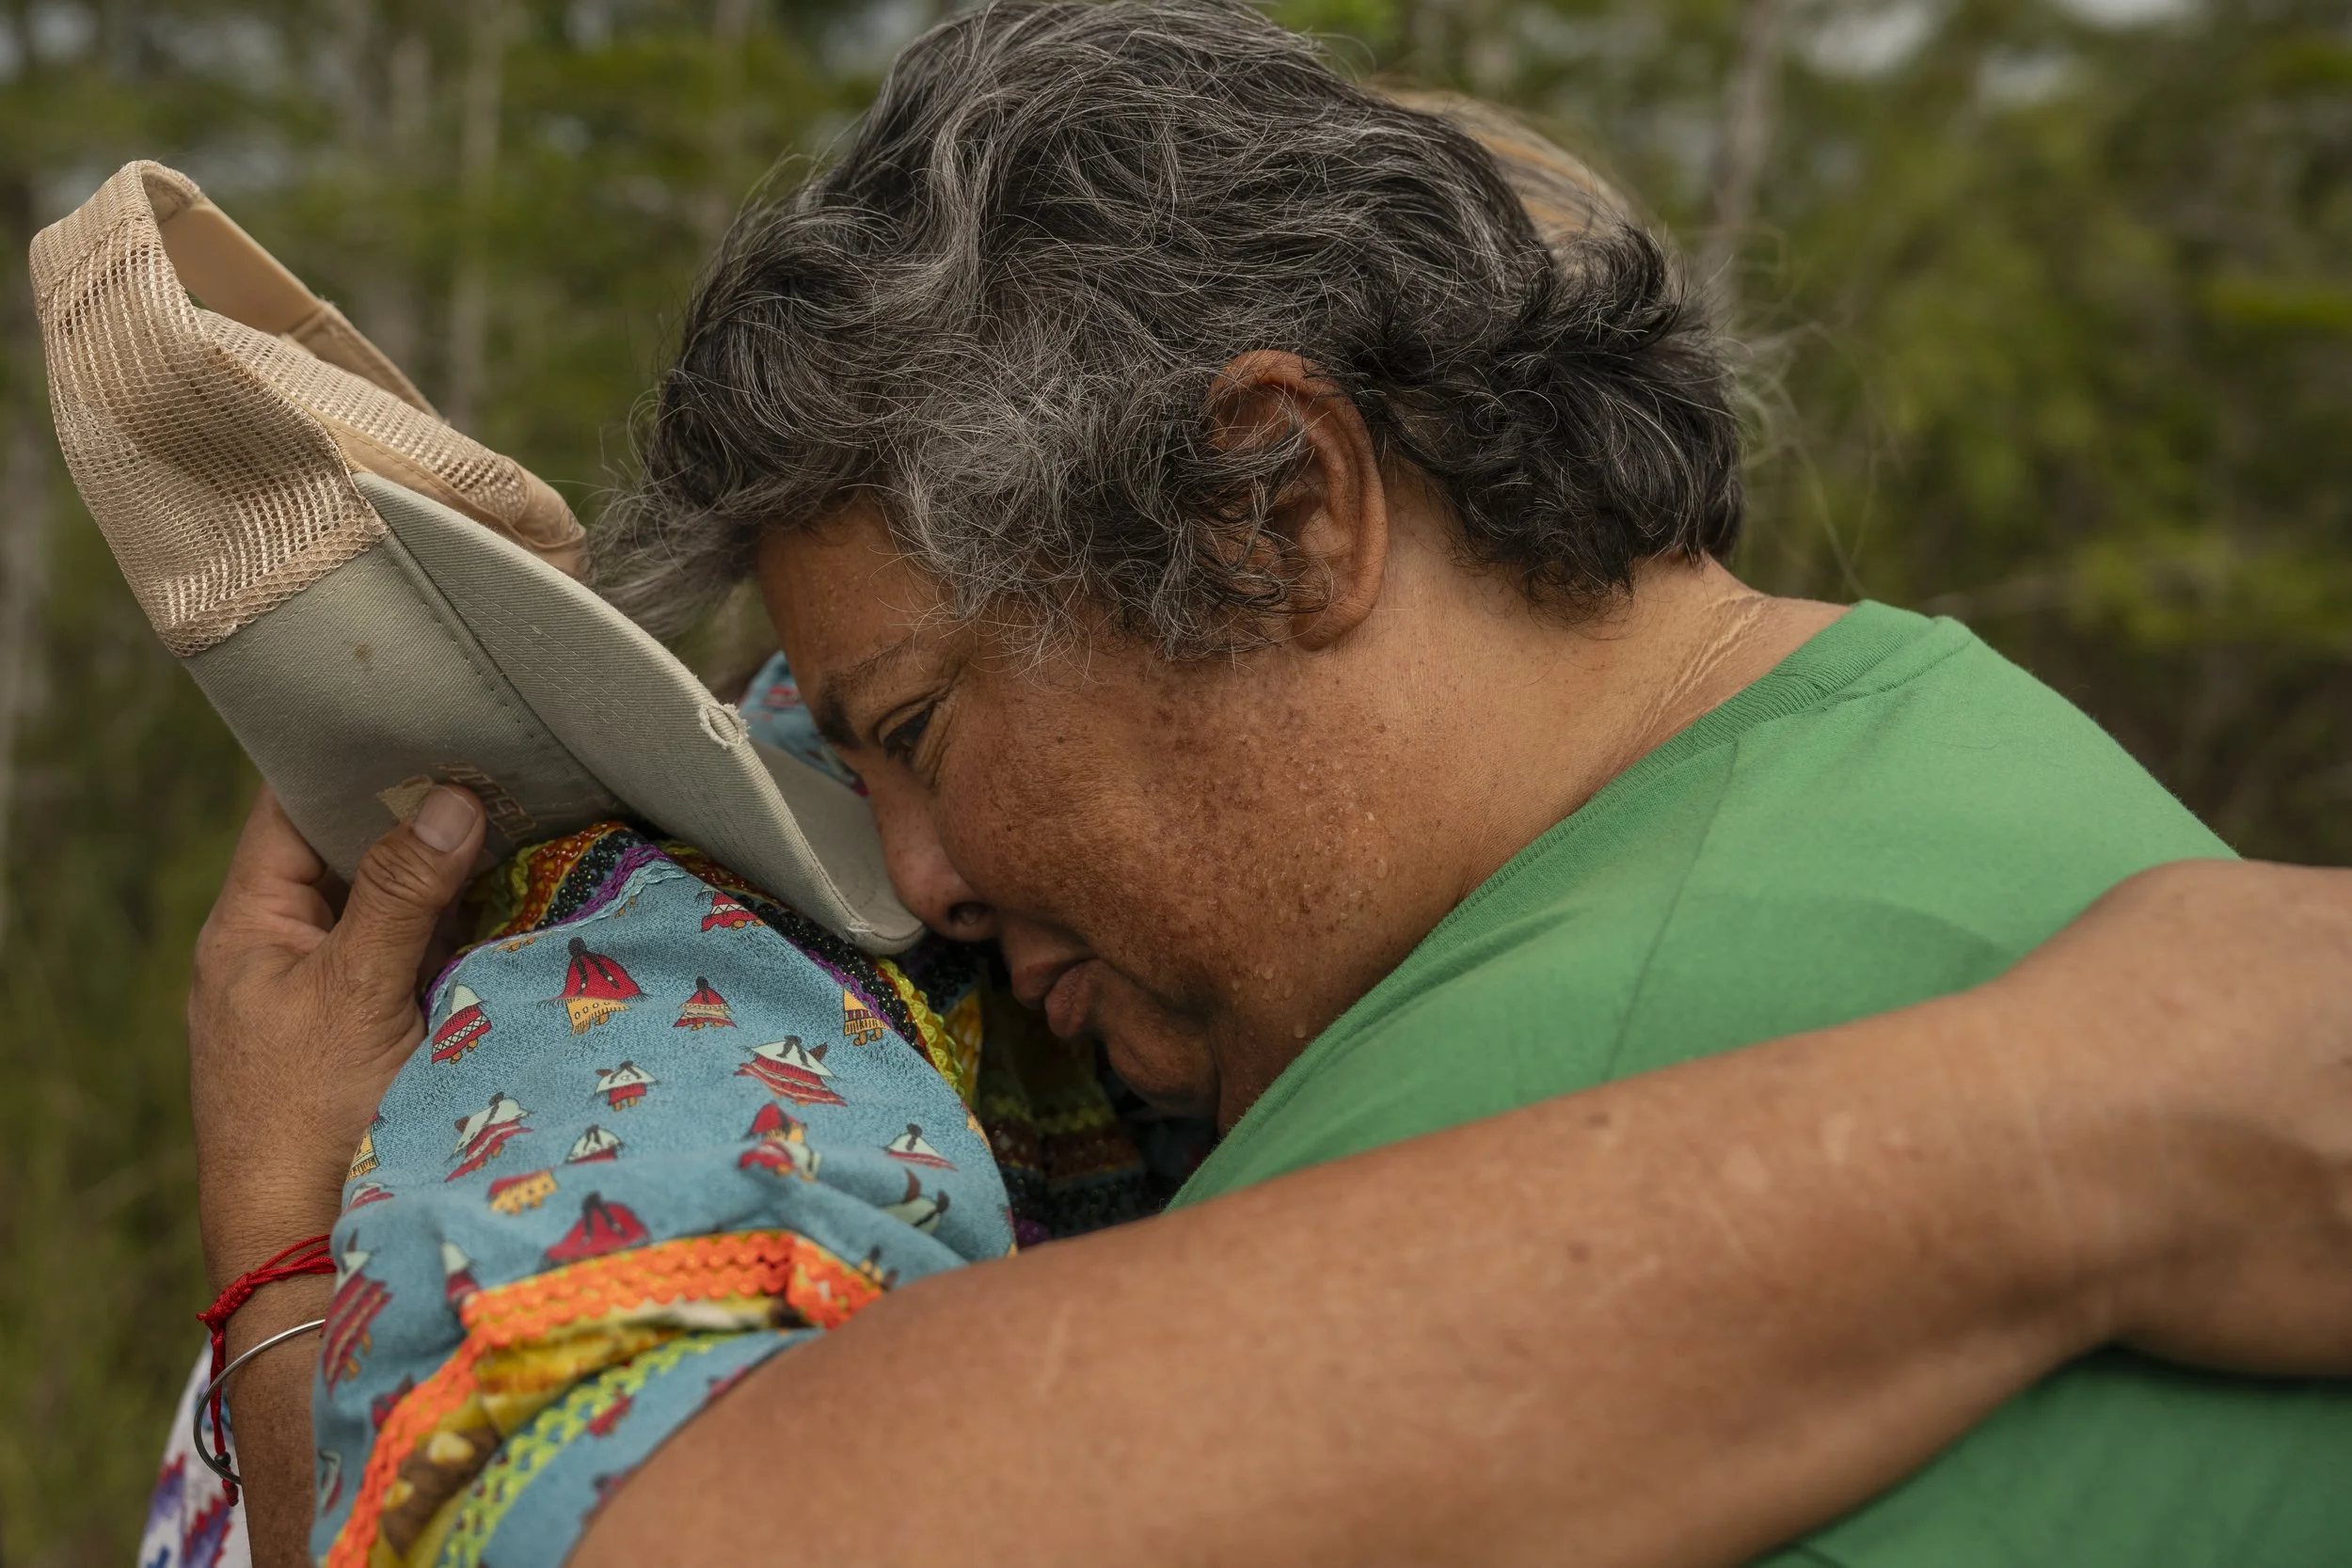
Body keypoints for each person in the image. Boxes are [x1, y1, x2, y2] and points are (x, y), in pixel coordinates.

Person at [182, 4, 2352, 1566]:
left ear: (1273, 505)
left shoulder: (1545, 1085)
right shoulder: (1937, 773)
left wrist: (294, 1276)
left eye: (915, 729)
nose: (913, 880)